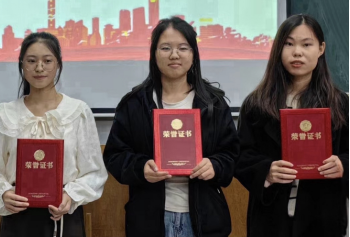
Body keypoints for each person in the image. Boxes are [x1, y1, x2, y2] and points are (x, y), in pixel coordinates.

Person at [104, 17, 240, 237]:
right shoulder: (135, 104)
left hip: (204, 218)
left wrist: (214, 165)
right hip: (149, 219)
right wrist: (141, 168)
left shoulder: (212, 104)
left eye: (183, 48)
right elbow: (114, 156)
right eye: (166, 48)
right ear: (154, 54)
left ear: (193, 54)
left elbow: (232, 154)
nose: (174, 55)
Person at [0, 32, 108, 237]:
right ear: (22, 65)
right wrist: (4, 193)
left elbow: (94, 172)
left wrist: (70, 196)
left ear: (58, 64)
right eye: (31, 61)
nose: (39, 68)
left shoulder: (77, 112)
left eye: (47, 61)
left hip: (63, 215)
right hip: (18, 216)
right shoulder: (6, 114)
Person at [235, 14, 349, 237]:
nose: (297, 52)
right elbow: (241, 156)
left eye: (306, 44)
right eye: (289, 44)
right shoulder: (256, 104)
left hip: (322, 219)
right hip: (270, 220)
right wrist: (267, 171)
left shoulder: (340, 104)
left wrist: (342, 165)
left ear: (321, 49)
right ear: (278, 49)